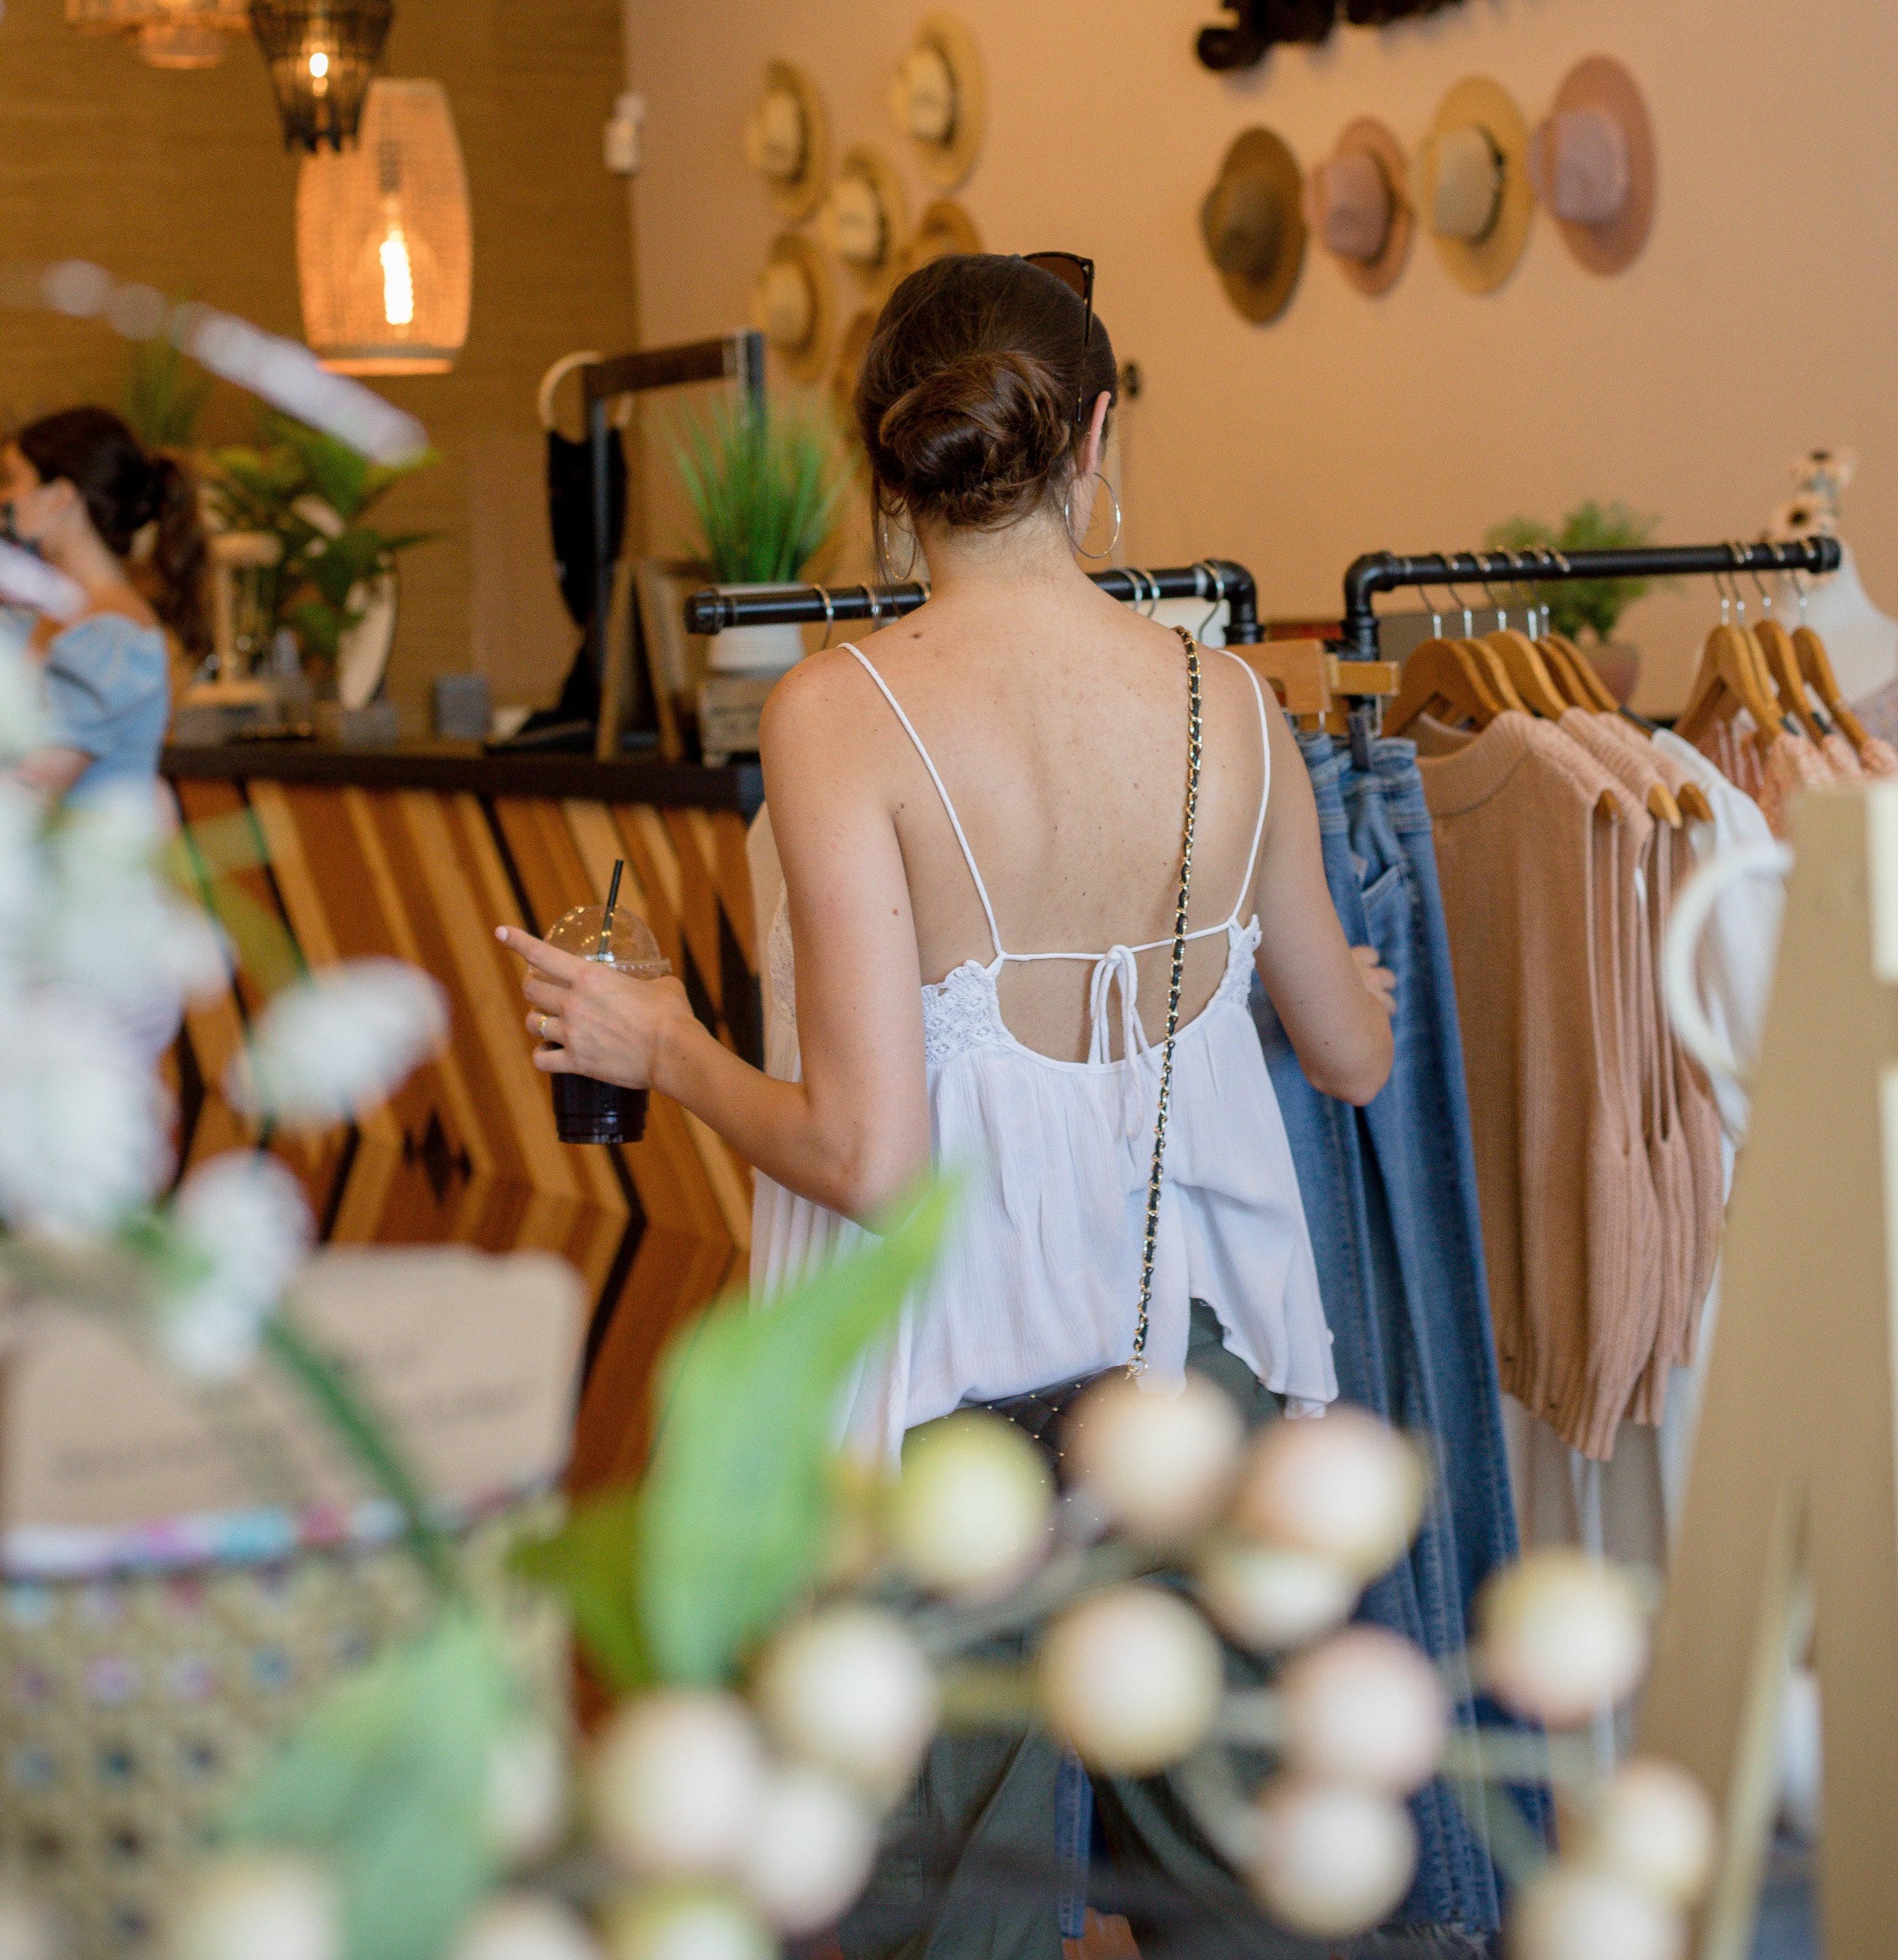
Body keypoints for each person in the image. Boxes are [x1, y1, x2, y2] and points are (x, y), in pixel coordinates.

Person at [502, 254, 1396, 1954]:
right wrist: (1359, 995)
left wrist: (664, 1046)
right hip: (1187, 1369)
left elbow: (866, 1155)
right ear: (1098, 434)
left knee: (935, 1917)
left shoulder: (844, 715)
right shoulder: (1231, 701)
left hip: (943, 1406)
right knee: (1236, 1893)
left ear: (879, 457)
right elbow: (1344, 1055)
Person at [2, 404, 209, 803]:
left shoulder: (114, 643)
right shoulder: (36, 621)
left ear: (60, 497)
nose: (3, 498)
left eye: (12, 481)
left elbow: (27, 789)